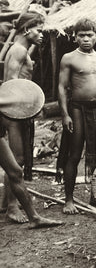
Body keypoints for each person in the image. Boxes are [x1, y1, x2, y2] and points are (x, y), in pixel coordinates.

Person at [58, 18, 96, 214]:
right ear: (75, 38)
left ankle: (95, 196)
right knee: (74, 153)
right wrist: (65, 115)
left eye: (90, 35)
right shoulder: (69, 58)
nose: (86, 39)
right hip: (77, 109)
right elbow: (62, 88)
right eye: (81, 35)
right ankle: (69, 200)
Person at [1, 12, 44, 223]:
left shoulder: (20, 49)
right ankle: (11, 206)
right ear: (27, 29)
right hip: (13, 110)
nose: (42, 34)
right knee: (16, 159)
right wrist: (21, 111)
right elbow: (10, 85)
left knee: (14, 160)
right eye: (39, 29)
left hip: (17, 108)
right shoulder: (18, 50)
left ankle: (6, 202)